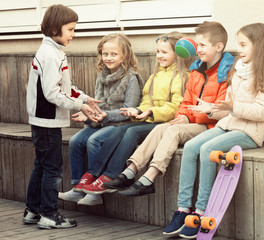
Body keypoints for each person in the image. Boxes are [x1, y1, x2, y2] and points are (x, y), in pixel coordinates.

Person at [163, 22, 264, 239]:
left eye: (243, 45)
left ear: (260, 46)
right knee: (192, 147)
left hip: (250, 132)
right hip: (228, 124)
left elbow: (262, 112)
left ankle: (201, 211)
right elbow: (227, 109)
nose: (238, 49)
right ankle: (183, 210)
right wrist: (211, 109)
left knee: (208, 149)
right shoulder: (238, 70)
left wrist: (232, 108)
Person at [104, 21, 234, 197]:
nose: (198, 49)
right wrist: (183, 116)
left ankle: (149, 178)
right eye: (198, 45)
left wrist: (189, 118)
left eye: (202, 45)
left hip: (210, 126)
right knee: (161, 128)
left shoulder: (225, 74)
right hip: (193, 122)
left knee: (173, 131)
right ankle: (130, 171)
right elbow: (186, 102)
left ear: (219, 46)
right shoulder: (196, 71)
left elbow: (220, 111)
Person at [62, 31, 191, 206]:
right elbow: (146, 101)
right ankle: (90, 178)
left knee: (126, 132)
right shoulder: (155, 76)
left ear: (178, 54)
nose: (159, 56)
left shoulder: (181, 77)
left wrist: (148, 111)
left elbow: (176, 106)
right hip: (146, 118)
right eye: (158, 52)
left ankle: (110, 175)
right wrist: (137, 110)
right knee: (113, 133)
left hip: (164, 123)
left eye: (164, 52)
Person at [22, 4, 102, 229]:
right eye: (70, 29)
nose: (73, 35)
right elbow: (52, 92)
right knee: (52, 169)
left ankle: (33, 210)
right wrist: (79, 105)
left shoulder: (52, 51)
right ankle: (48, 214)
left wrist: (85, 99)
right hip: (47, 122)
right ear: (56, 28)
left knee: (42, 165)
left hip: (43, 121)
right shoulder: (50, 55)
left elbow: (64, 86)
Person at [58, 33, 144, 204]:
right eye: (105, 54)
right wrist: (89, 115)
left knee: (94, 141)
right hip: (101, 121)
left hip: (120, 125)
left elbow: (128, 110)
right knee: (75, 140)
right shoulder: (102, 76)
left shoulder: (131, 78)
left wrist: (104, 116)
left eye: (114, 54)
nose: (109, 58)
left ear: (124, 55)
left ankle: (95, 192)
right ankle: (77, 187)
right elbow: (99, 104)